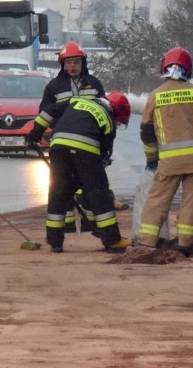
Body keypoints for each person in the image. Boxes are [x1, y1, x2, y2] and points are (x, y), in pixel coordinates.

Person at [136, 47, 193, 256]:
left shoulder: (155, 96)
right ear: (188, 69)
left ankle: (146, 242)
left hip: (169, 161)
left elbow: (147, 132)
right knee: (191, 200)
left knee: (157, 201)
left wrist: (151, 157)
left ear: (163, 67)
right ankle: (184, 243)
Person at [27, 41, 108, 233]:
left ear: (83, 63)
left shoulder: (94, 83)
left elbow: (104, 109)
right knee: (62, 183)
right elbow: (45, 112)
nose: (72, 66)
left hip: (89, 141)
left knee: (87, 183)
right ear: (62, 64)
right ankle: (67, 223)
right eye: (68, 63)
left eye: (76, 62)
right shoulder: (54, 87)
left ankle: (89, 220)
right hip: (63, 140)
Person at [41, 91, 133, 254]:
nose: (117, 123)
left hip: (58, 146)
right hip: (86, 150)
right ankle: (112, 240)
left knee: (58, 191)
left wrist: (34, 134)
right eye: (119, 120)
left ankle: (55, 242)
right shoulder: (108, 120)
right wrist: (94, 170)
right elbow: (104, 152)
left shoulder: (76, 102)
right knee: (100, 193)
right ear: (117, 112)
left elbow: (47, 112)